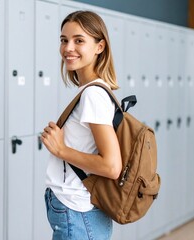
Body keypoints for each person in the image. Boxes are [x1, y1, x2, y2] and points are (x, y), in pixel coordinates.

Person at [41, 10, 122, 240]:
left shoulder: (93, 95)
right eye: (64, 40)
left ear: (100, 46)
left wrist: (60, 150)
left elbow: (111, 166)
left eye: (79, 40)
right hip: (77, 209)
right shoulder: (90, 91)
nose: (68, 48)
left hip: (77, 210)